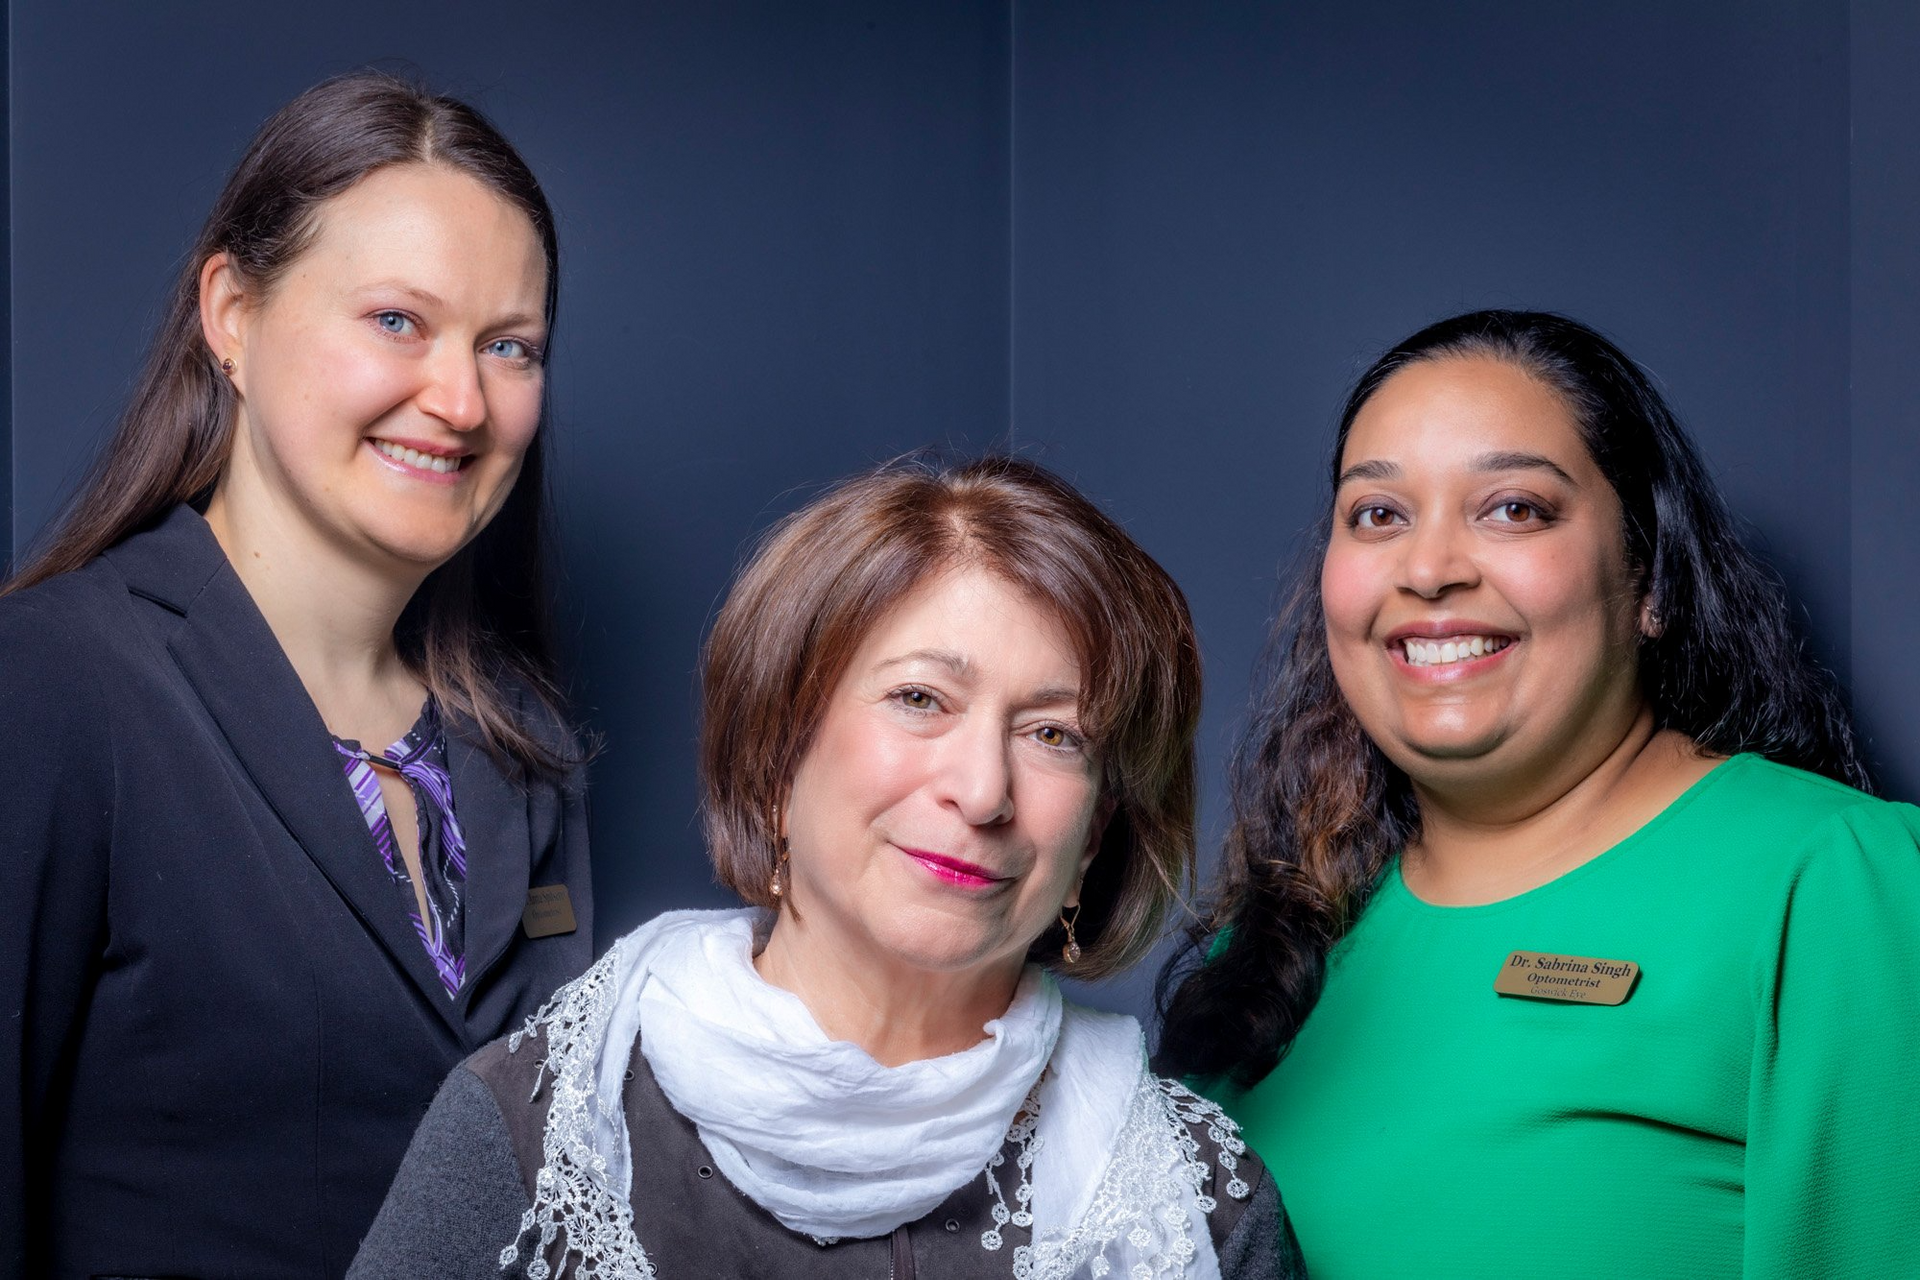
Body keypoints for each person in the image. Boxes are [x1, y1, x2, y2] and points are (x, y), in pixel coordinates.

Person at [350, 456, 1305, 1279]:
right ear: (777, 751)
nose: (982, 791)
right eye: (922, 697)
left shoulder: (1199, 1197)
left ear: (1096, 830)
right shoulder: (526, 1131)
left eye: (1054, 734)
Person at [1156, 309, 1920, 1279]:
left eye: (1513, 506)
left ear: (1649, 577)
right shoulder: (1277, 939)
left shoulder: (1834, 886)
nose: (1430, 568)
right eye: (1379, 513)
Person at [0, 73, 593, 1278]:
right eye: (396, 321)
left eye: (508, 345)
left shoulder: (530, 751)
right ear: (231, 313)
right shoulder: (50, 686)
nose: (461, 398)